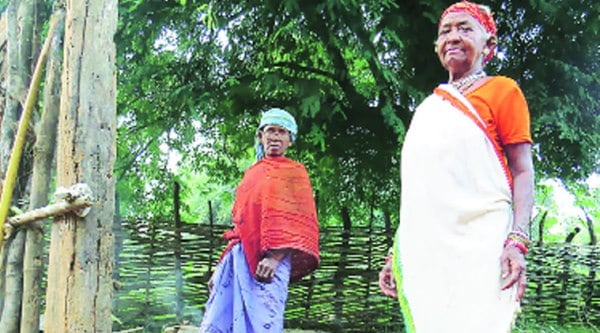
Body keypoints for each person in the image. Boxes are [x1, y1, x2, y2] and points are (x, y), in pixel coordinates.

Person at [378, 1, 534, 332]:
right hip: (430, 247)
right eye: (445, 31)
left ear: (488, 44)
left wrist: (517, 240)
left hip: (485, 241)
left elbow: (522, 170)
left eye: (465, 28)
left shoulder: (503, 91)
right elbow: (421, 193)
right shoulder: (428, 109)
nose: (453, 36)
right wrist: (396, 253)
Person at [199, 108, 320, 333]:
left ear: (290, 140)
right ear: (260, 136)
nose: (275, 137)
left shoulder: (296, 173)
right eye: (270, 131)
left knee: (265, 323)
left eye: (282, 132)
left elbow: (299, 222)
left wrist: (275, 258)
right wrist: (221, 266)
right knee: (221, 321)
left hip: (271, 263)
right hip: (240, 258)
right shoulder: (252, 173)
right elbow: (242, 226)